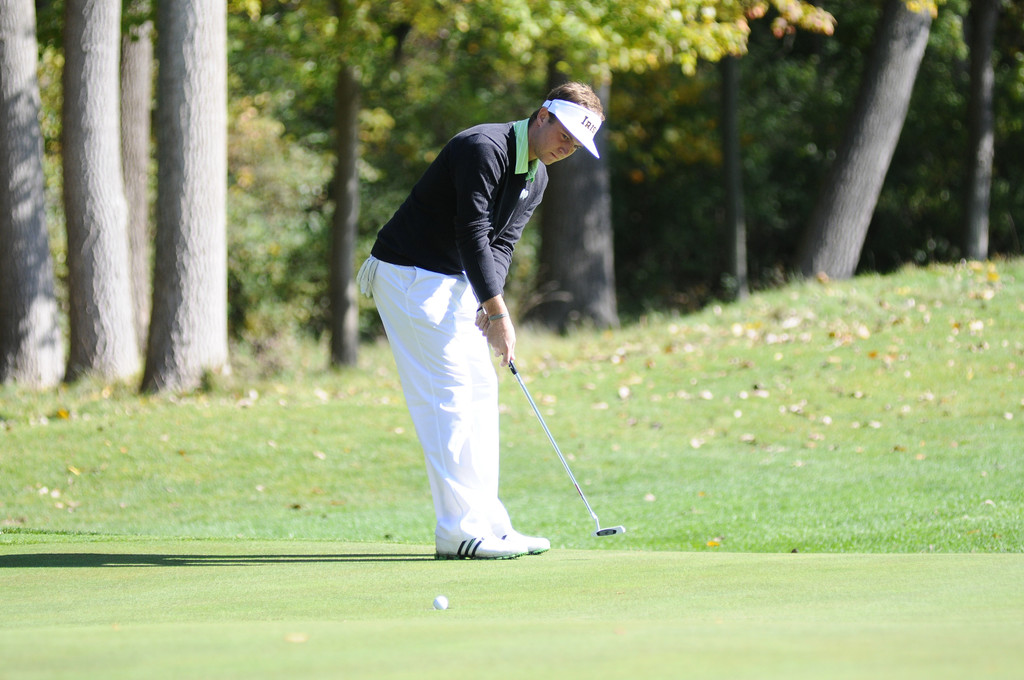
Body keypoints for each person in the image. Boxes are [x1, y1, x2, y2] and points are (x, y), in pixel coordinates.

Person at [357, 82, 605, 560]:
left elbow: (500, 246)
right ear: (542, 116)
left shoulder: (537, 178)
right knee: (448, 398)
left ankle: (490, 524)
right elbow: (470, 230)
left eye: (577, 143)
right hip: (408, 276)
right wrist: (498, 311)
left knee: (480, 391)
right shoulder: (483, 148)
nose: (567, 147)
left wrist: (486, 307)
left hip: (449, 283)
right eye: (565, 133)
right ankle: (457, 530)